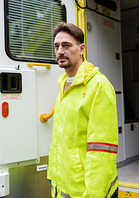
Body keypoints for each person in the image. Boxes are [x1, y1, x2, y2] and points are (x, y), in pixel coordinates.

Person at [47, 21, 118, 198]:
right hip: (64, 188)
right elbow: (59, 138)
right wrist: (52, 176)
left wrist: (93, 195)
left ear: (81, 49)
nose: (60, 51)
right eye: (56, 46)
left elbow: (102, 149)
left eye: (66, 45)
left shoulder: (98, 85)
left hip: (89, 192)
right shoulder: (64, 84)